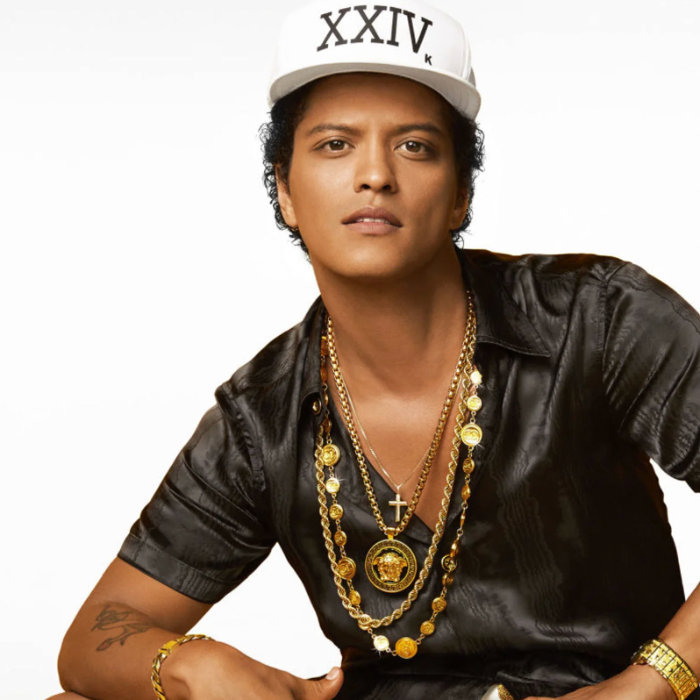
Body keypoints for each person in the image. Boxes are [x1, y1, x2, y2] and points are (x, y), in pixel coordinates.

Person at [49, 0, 700, 699]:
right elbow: (94, 637)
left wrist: (652, 683)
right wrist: (192, 665)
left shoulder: (594, 317)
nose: (375, 175)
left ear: (460, 194)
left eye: (415, 146)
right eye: (335, 144)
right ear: (284, 191)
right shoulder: (264, 416)